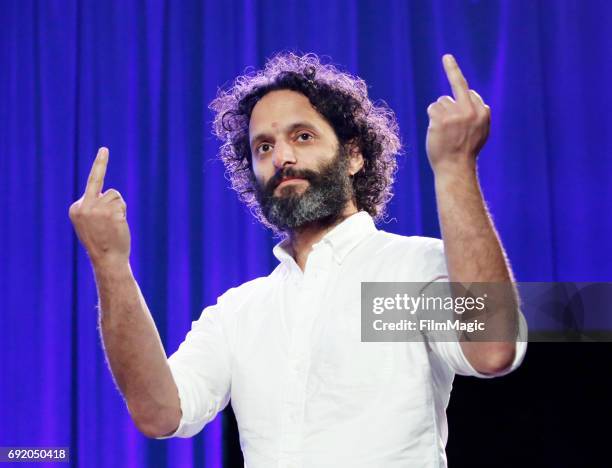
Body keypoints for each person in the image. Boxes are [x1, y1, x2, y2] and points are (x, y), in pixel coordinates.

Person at [69, 52, 527, 467]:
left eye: (302, 136)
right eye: (263, 147)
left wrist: (454, 167)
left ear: (353, 156)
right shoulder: (240, 312)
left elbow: (491, 351)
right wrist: (111, 263)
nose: (281, 157)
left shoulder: (407, 272)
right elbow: (158, 412)